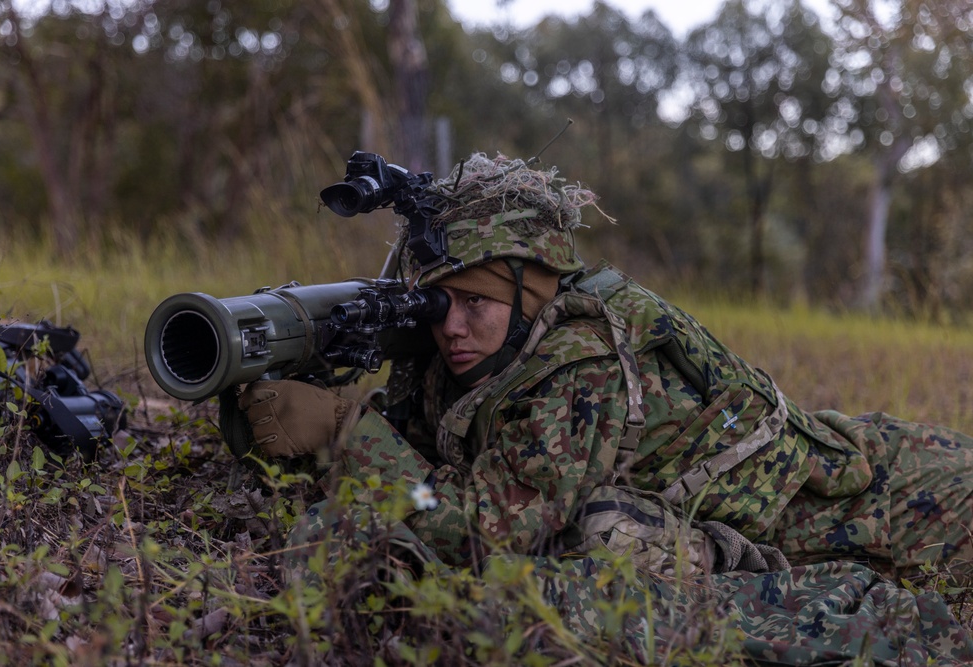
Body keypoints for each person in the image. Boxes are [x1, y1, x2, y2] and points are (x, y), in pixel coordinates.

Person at [233, 152, 973, 663]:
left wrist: (348, 430)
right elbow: (432, 464)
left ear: (532, 290)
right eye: (438, 303)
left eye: (477, 304)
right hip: (827, 487)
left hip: (891, 496)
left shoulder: (578, 370)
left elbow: (478, 533)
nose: (451, 327)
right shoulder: (486, 348)